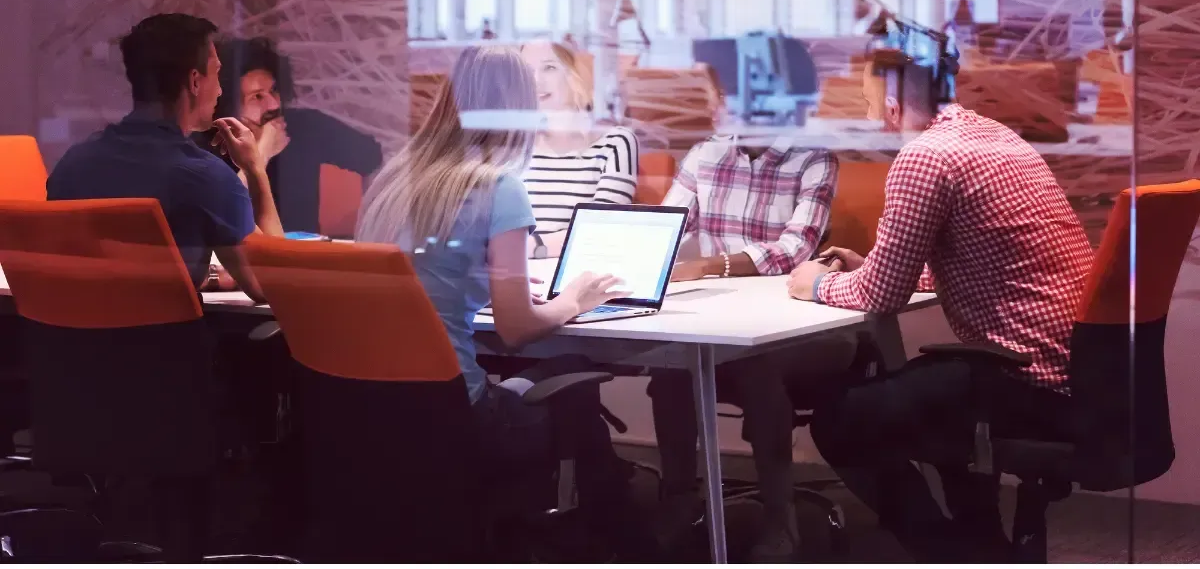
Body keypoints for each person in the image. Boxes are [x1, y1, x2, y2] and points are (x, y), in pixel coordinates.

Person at [786, 47, 1094, 561]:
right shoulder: (996, 138)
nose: (867, 117)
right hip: (1079, 371)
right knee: (939, 396)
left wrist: (815, 284)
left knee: (839, 421)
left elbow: (879, 296)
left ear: (889, 102)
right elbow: (983, 258)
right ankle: (982, 545)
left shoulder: (926, 157)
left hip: (1025, 378)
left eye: (866, 102)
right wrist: (878, 262)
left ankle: (947, 552)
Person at [355, 45, 651, 558]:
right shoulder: (500, 188)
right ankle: (620, 544)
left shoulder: (392, 178)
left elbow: (433, 271)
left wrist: (496, 280)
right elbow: (515, 328)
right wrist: (573, 300)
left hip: (370, 409)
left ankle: (590, 533)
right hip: (459, 415)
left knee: (550, 374)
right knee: (571, 375)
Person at [647, 127, 847, 560]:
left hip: (797, 324)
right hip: (721, 321)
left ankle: (781, 520)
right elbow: (666, 227)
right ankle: (679, 500)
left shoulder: (813, 158)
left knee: (758, 371)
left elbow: (795, 251)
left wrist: (710, 266)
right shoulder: (706, 152)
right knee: (669, 373)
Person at [47, 14, 283, 301]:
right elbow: (277, 282)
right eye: (217, 73)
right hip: (166, 345)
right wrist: (255, 168)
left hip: (73, 344)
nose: (220, 90)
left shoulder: (72, 165)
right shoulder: (204, 176)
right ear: (195, 82)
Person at [212, 36, 383, 234]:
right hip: (236, 257)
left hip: (300, 256)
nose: (274, 104)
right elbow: (222, 214)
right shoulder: (212, 141)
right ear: (228, 105)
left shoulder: (303, 126)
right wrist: (262, 153)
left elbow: (372, 156)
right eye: (257, 96)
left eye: (274, 90)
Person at [519, 40, 638, 258]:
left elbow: (602, 230)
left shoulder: (615, 142)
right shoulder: (514, 146)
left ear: (575, 75)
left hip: (575, 274)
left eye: (550, 67)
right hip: (513, 274)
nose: (536, 80)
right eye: (527, 70)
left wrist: (526, 248)